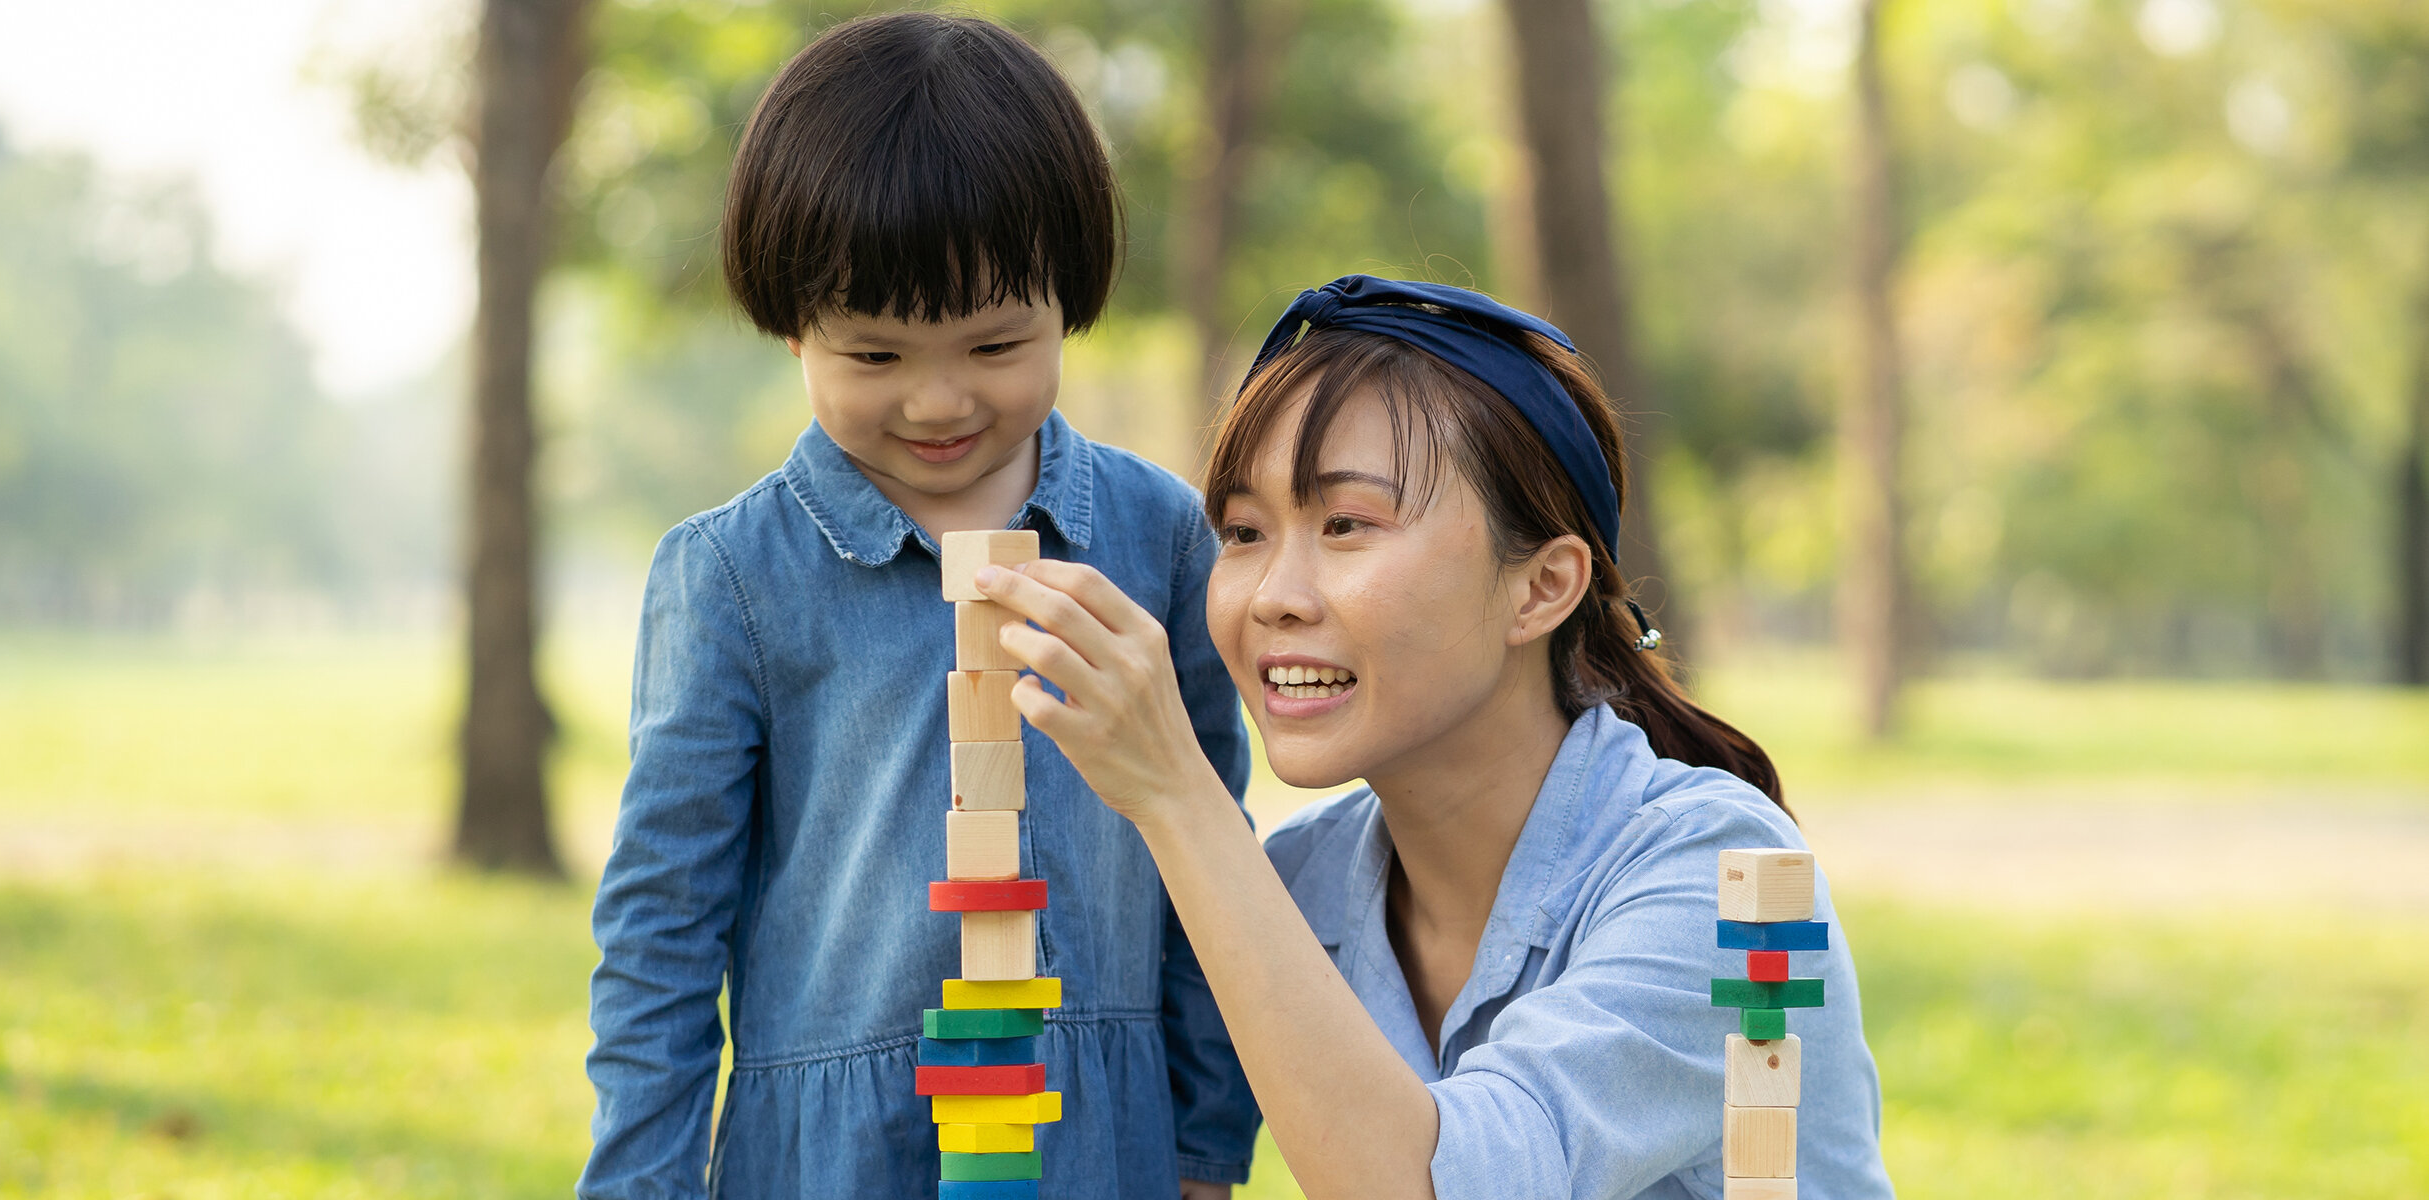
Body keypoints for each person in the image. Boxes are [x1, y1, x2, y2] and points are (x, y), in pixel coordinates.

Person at [973, 275, 1895, 1198]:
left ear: (1542, 587)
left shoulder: (1727, 882)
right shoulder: (1301, 888)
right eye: (1245, 530)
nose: (1273, 595)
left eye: (1346, 524)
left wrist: (1177, 793)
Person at [578, 14, 1258, 1198]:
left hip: (1104, 1145)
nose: (938, 402)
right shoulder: (731, 578)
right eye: (875, 357)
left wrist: (1206, 1145)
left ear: (1071, 300)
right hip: (837, 1155)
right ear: (792, 326)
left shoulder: (1159, 541)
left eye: (995, 344)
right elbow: (661, 927)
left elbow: (1211, 849)